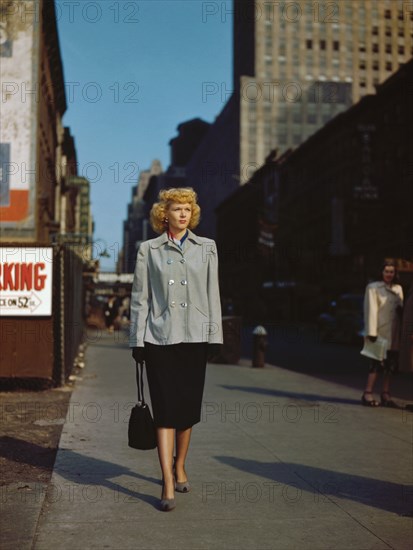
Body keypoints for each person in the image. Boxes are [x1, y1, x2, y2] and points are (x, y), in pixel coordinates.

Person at [129, 187, 223, 511]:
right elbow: (140, 299)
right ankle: (168, 481)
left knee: (186, 411)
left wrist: (215, 336)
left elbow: (213, 296)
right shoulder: (148, 250)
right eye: (176, 208)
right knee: (165, 411)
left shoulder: (207, 248)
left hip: (195, 337)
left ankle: (180, 463)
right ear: (163, 213)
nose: (182, 213)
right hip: (160, 338)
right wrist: (136, 341)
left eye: (187, 208)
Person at [361, 261, 404, 407]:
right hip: (379, 331)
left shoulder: (398, 288)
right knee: (375, 363)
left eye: (392, 272)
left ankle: (386, 393)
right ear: (381, 272)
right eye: (386, 271)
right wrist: (371, 332)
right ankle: (367, 393)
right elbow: (370, 310)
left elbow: (401, 309)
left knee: (390, 364)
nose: (389, 274)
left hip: (394, 332)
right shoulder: (373, 288)